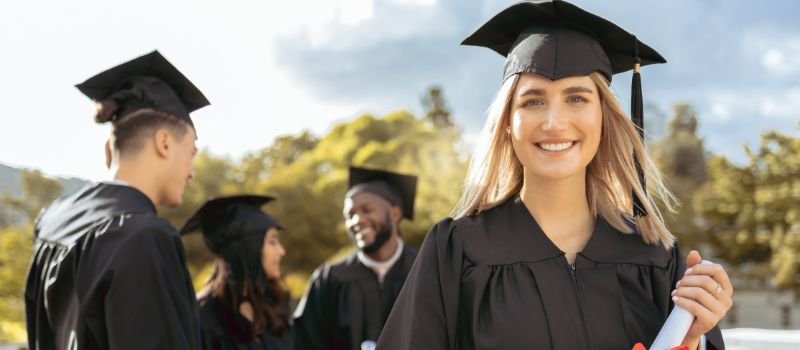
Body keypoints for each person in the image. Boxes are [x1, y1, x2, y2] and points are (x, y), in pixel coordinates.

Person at [377, 1, 732, 349]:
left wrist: (689, 340)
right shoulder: (457, 250)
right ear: (506, 124)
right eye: (533, 101)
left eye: (576, 98)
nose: (554, 122)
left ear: (604, 119)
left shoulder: (654, 257)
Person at [24, 50, 208, 350]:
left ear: (109, 150)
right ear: (164, 143)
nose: (192, 174)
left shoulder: (54, 218)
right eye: (191, 152)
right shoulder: (143, 237)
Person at [292, 166, 418, 350]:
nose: (357, 220)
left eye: (367, 210)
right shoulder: (329, 279)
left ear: (395, 213)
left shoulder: (427, 270)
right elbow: (305, 343)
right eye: (350, 215)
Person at [181, 195, 291, 350]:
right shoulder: (203, 317)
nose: (281, 251)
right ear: (247, 248)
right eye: (272, 241)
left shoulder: (276, 303)